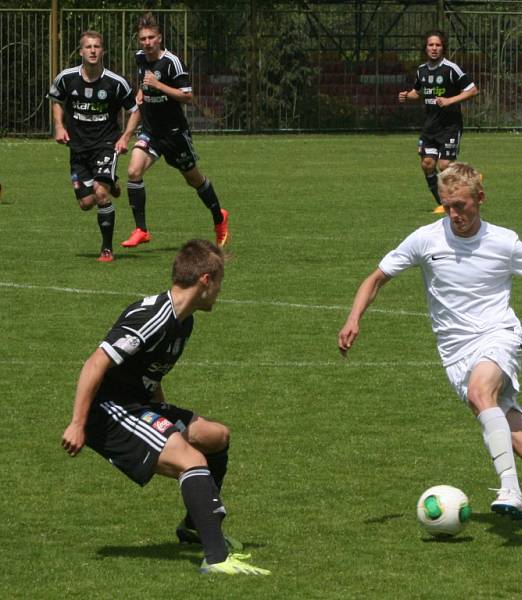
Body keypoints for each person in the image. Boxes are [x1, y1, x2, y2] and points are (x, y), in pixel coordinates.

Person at [339, 162, 522, 533]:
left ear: (480, 199)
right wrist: (353, 318)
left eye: (461, 205)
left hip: (499, 335)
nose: (454, 214)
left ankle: (510, 489)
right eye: (447, 206)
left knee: (480, 391)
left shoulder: (503, 241)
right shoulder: (426, 239)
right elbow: (376, 278)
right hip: (455, 353)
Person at [61, 239, 269, 575]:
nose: (219, 291)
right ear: (205, 280)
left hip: (138, 404)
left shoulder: (183, 321)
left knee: (215, 436)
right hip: (110, 411)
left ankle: (193, 525)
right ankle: (216, 558)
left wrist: (163, 416)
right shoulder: (152, 317)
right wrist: (77, 423)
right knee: (192, 461)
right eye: (219, 283)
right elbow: (95, 363)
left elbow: (150, 370)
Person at [121, 12, 229, 249]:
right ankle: (141, 230)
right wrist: (143, 92)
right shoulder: (140, 58)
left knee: (194, 179)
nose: (147, 43)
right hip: (151, 131)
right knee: (133, 171)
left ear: (160, 38)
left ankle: (219, 217)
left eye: (151, 38)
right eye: (143, 39)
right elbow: (145, 83)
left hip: (174, 134)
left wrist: (158, 85)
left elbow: (188, 96)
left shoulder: (172, 62)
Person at [48, 30, 140, 262]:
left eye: (96, 46)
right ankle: (112, 181)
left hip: (105, 145)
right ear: (80, 51)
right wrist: (59, 126)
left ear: (102, 51)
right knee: (86, 203)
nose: (92, 50)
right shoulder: (66, 78)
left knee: (100, 194)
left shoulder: (115, 82)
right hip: (78, 148)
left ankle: (106, 249)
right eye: (88, 47)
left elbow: (135, 111)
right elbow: (56, 100)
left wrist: (125, 137)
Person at [399, 30, 478, 214]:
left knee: (444, 166)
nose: (434, 48)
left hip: (450, 126)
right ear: (425, 48)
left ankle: (470, 181)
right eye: (430, 45)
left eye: (438, 45)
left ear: (443, 48)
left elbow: (472, 90)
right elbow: (418, 92)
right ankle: (444, 204)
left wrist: (450, 101)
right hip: (430, 126)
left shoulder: (451, 69)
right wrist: (406, 96)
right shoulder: (421, 70)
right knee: (427, 164)